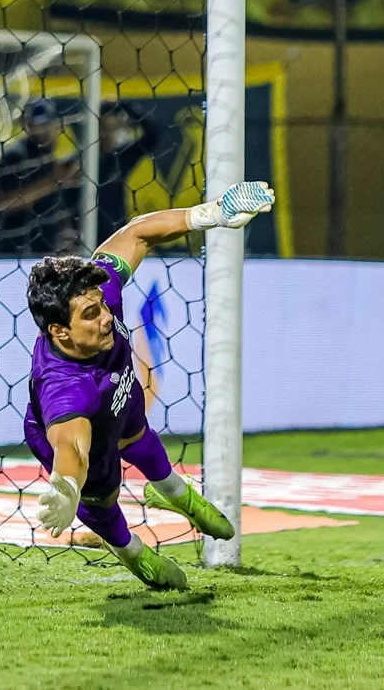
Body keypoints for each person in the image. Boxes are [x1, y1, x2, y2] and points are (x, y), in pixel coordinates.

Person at [25, 181, 275, 590]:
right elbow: (72, 447)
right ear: (59, 331)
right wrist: (67, 487)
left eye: (103, 306)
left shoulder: (97, 290)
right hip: (87, 427)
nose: (106, 316)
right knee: (102, 499)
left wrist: (208, 214)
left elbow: (137, 232)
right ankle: (134, 555)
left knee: (138, 433)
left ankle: (174, 492)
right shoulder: (66, 390)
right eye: (91, 314)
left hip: (121, 395)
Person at [0, 100, 81, 256]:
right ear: (27, 127)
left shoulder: (52, 158)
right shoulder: (16, 156)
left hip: (45, 252)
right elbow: (5, 203)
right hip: (12, 252)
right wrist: (54, 181)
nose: (44, 131)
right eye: (38, 125)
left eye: (48, 124)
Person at [96, 101, 161, 240]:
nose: (108, 135)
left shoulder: (122, 157)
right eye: (104, 129)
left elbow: (153, 134)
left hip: (114, 232)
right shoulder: (83, 160)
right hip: (85, 231)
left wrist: (128, 106)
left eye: (113, 129)